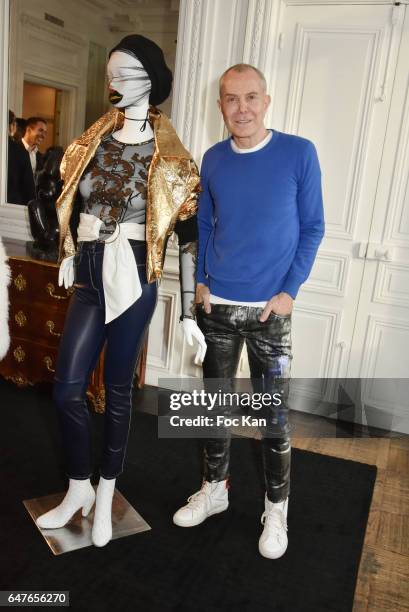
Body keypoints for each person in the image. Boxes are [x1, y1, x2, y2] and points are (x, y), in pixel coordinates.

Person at [36, 35, 207, 547]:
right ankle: (77, 488)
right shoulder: (91, 141)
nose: (115, 82)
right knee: (66, 389)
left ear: (151, 82)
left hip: (135, 274)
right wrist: (68, 247)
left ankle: (106, 492)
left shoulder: (171, 156)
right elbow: (67, 199)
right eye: (111, 73)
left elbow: (188, 232)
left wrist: (188, 315)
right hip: (90, 271)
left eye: (127, 73)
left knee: (116, 393)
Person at [173, 64, 324, 559]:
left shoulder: (299, 153)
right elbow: (207, 227)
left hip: (270, 312)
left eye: (251, 98)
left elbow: (312, 228)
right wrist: (200, 281)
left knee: (272, 418)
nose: (242, 108)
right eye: (232, 99)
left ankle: (276, 508)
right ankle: (214, 491)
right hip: (216, 304)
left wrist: (289, 291)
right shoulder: (213, 159)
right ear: (220, 105)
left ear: (267, 101)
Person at [7, 116, 47, 204]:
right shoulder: (12, 149)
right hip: (13, 205)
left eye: (45, 132)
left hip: (31, 207)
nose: (43, 135)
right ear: (28, 130)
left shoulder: (41, 158)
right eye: (40, 130)